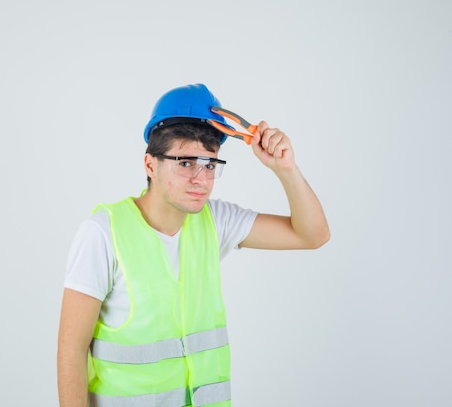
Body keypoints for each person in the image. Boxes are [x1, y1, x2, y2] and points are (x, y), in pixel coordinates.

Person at [57, 83, 330, 407]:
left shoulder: (216, 221)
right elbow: (71, 351)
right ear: (150, 165)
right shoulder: (103, 233)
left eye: (210, 164)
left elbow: (312, 235)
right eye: (185, 163)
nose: (201, 178)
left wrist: (286, 169)